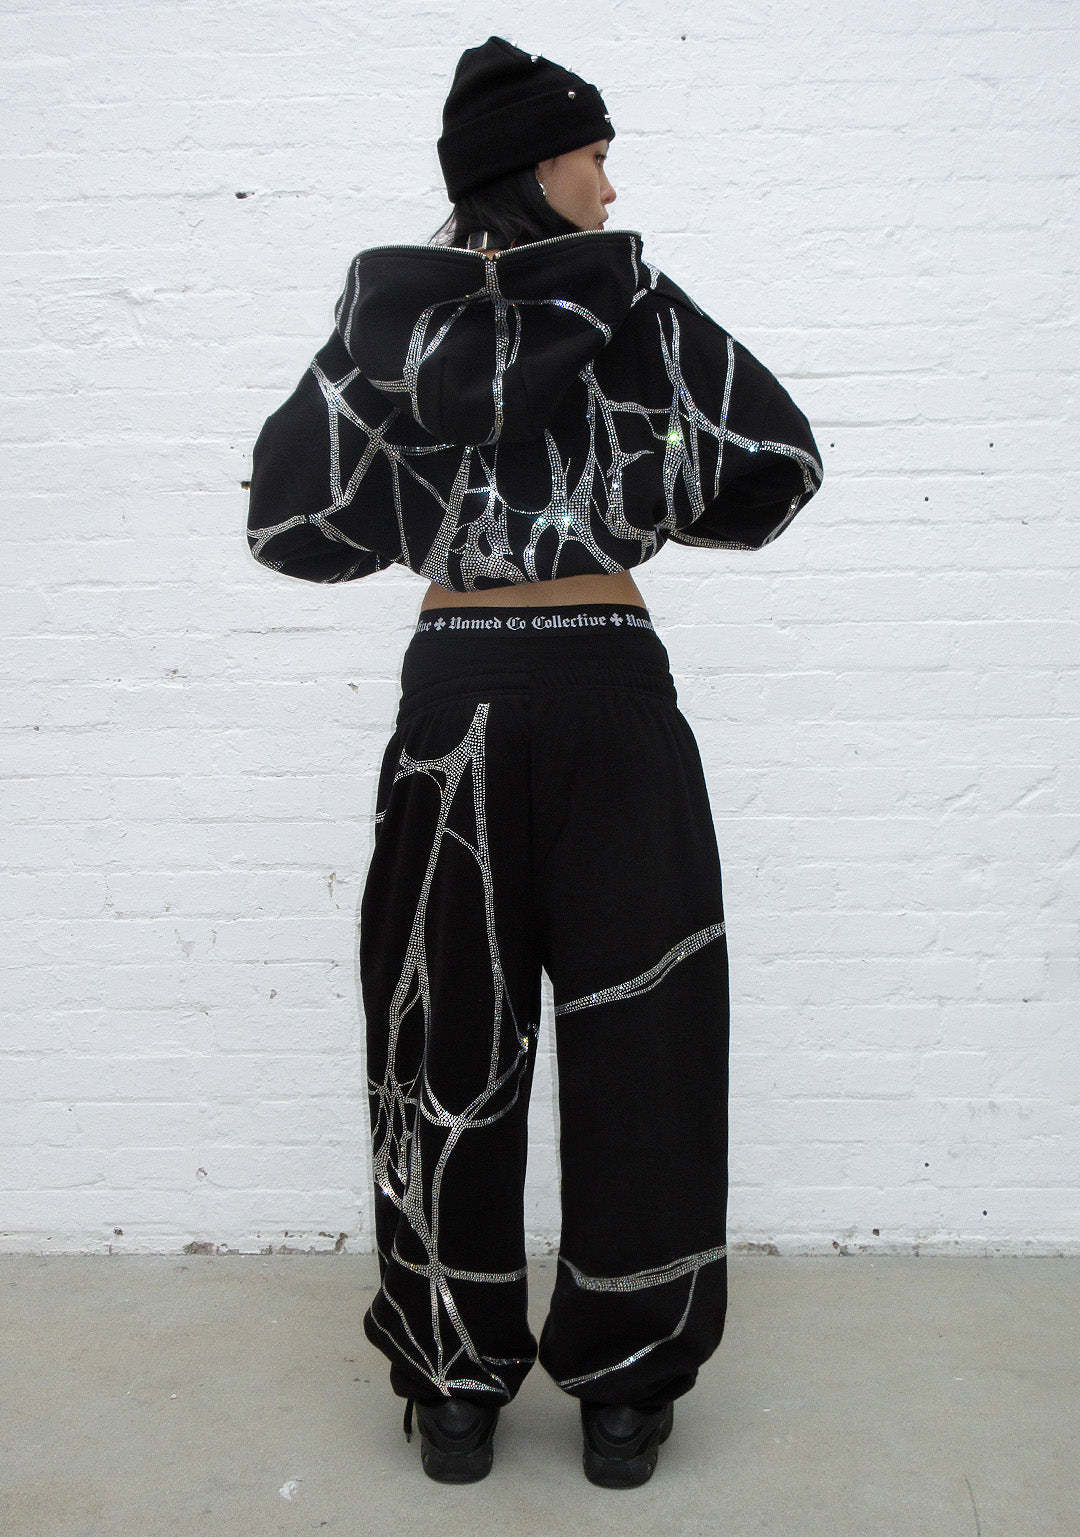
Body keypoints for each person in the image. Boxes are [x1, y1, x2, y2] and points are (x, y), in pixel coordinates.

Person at [245, 34, 824, 1488]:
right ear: (538, 167)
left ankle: (453, 1384)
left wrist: (421, 511)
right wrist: (638, 498)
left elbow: (293, 519)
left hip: (458, 688)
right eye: (595, 158)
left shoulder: (389, 320)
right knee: (649, 1036)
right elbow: (777, 463)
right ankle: (627, 1388)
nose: (610, 186)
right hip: (612, 682)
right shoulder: (632, 299)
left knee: (440, 1037)